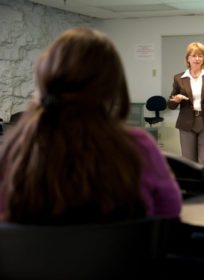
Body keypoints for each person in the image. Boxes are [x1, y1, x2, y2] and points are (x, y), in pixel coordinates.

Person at [0, 27, 182, 224]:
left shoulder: (15, 148)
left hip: (30, 255)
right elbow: (169, 210)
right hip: (121, 254)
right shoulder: (138, 146)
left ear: (46, 75)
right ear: (113, 84)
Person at [167, 42, 204, 168]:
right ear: (188, 58)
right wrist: (176, 100)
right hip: (186, 123)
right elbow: (170, 104)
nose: (197, 59)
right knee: (189, 163)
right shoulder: (179, 78)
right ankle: (191, 188)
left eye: (200, 56)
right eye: (194, 56)